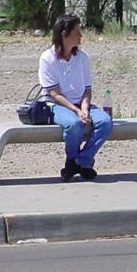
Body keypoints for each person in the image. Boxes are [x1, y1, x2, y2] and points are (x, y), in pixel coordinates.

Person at [38, 14, 113, 182]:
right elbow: (54, 93)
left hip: (81, 103)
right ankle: (74, 160)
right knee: (73, 124)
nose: (81, 36)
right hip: (57, 104)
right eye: (77, 32)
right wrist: (76, 111)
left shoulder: (82, 58)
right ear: (64, 33)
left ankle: (80, 162)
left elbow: (87, 89)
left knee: (105, 121)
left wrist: (84, 108)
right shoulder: (47, 58)